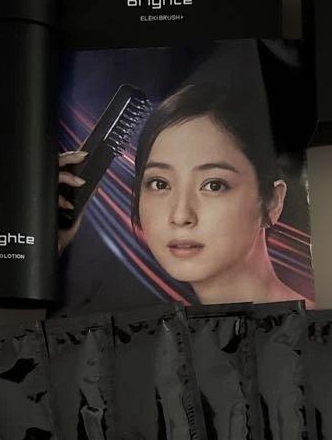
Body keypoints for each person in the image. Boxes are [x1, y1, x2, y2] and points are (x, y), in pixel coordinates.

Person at [58, 82, 310, 305]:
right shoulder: (157, 332)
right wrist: (50, 247)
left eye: (213, 185)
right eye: (160, 184)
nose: (180, 216)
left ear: (272, 202)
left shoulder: (315, 328)